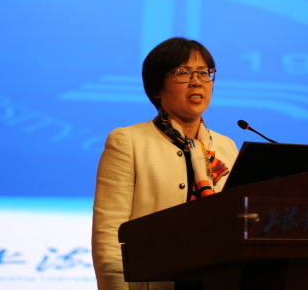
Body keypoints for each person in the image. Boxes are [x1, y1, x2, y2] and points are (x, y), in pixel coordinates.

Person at [92, 37, 239, 290]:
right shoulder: (128, 141)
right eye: (183, 73)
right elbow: (110, 233)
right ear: (156, 88)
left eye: (204, 73)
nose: (197, 81)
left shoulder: (226, 146)